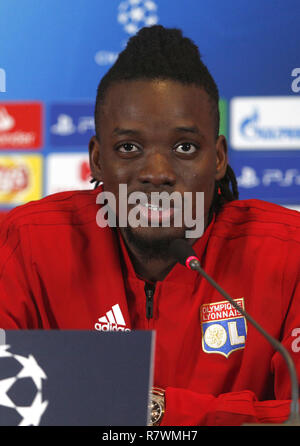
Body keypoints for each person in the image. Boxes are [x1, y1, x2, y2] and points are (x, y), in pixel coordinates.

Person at [0, 25, 299, 426]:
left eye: (184, 147)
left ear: (218, 158)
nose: (156, 173)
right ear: (98, 159)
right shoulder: (28, 244)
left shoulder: (287, 253)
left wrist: (153, 410)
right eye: (129, 147)